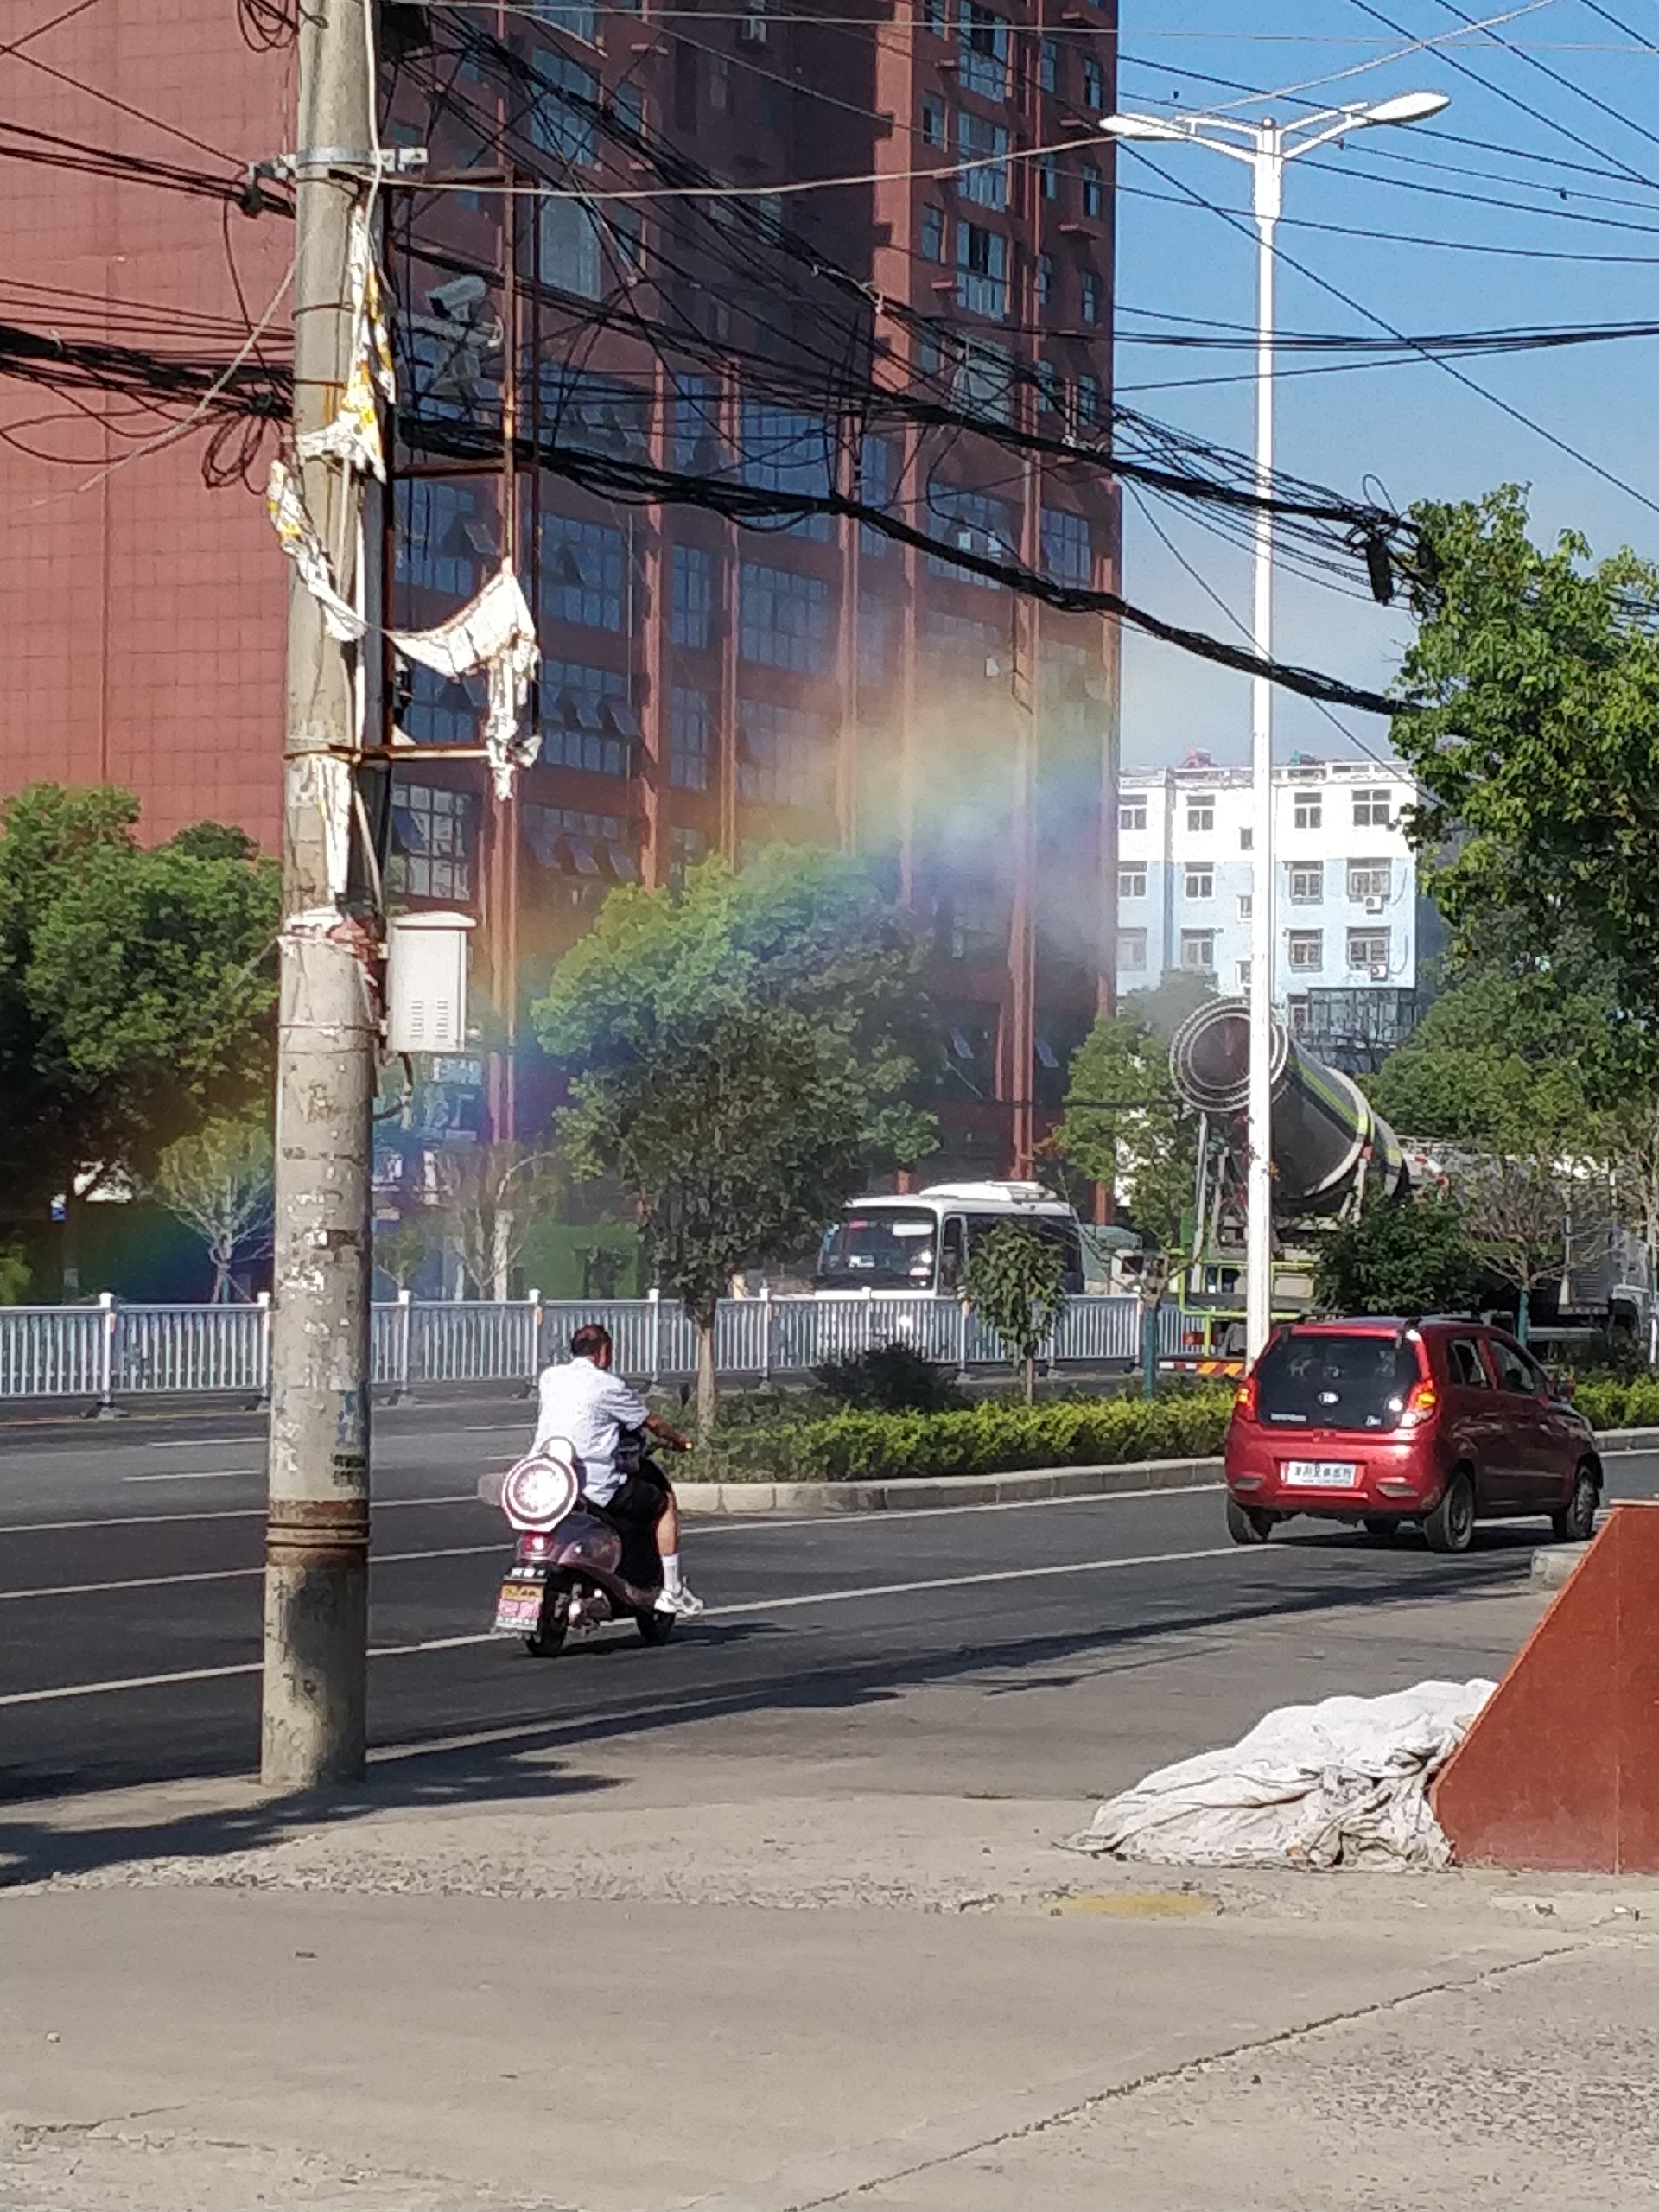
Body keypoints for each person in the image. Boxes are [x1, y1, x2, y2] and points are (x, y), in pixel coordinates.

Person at [531, 1322, 702, 1616]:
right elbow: (652, 1423)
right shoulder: (608, 1385)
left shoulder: (550, 1378)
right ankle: (672, 1590)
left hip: (550, 1482)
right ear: (603, 1352)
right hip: (594, 1485)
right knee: (663, 1503)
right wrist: (678, 1440)